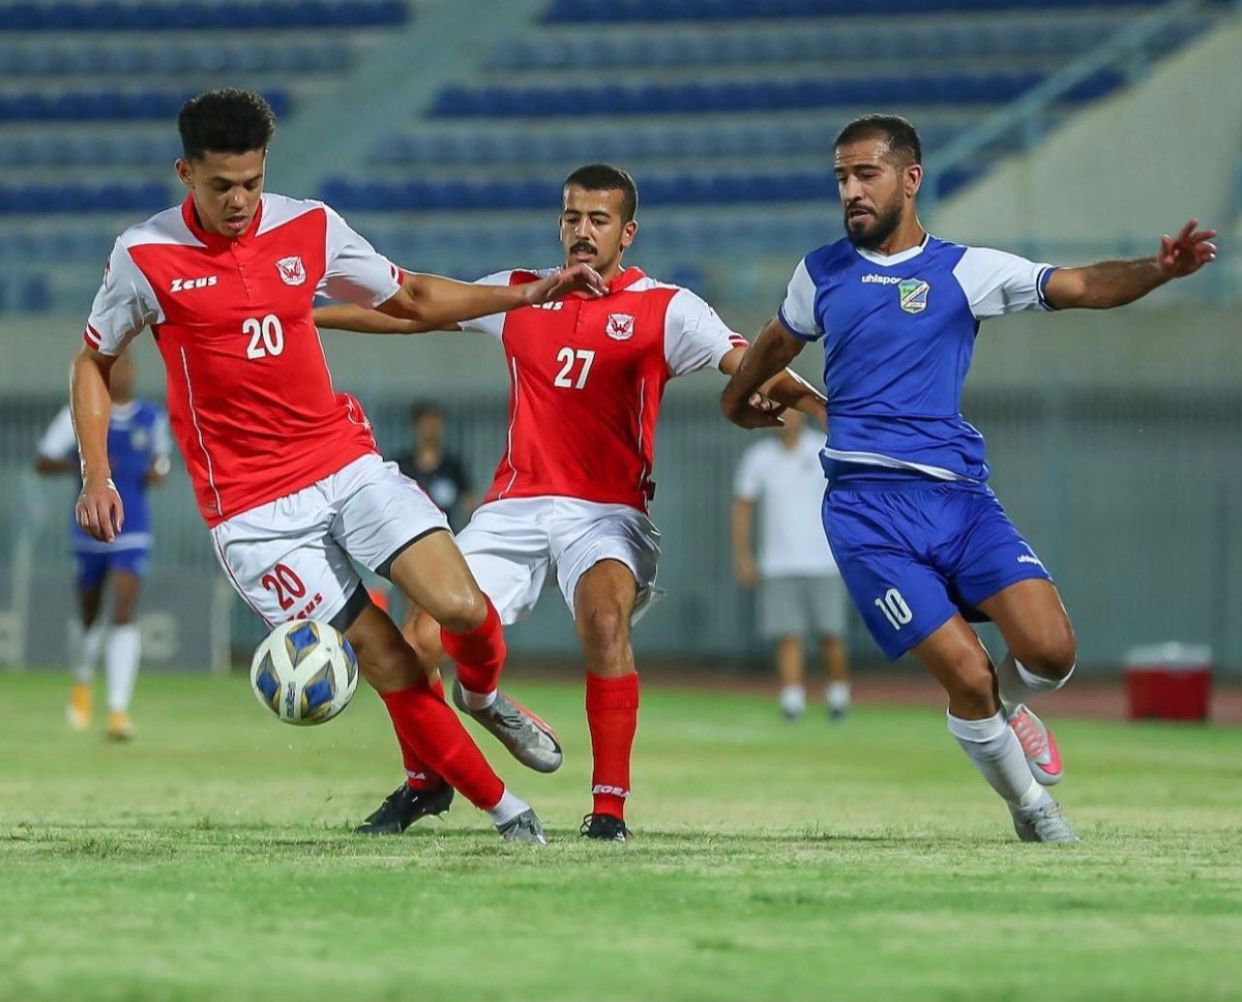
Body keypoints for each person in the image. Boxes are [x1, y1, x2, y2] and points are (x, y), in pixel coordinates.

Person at [70, 88, 606, 842]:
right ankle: (506, 812)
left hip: (342, 464)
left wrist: (531, 293)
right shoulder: (145, 255)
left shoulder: (310, 226)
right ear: (184, 172)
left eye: (251, 184)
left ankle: (483, 699)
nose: (239, 202)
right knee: (387, 657)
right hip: (254, 513)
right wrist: (97, 474)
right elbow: (93, 361)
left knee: (461, 607)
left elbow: (412, 296)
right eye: (221, 186)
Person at [721, 114, 1216, 843]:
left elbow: (1077, 284)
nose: (851, 191)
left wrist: (1159, 270)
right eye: (841, 179)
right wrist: (736, 405)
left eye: (866, 175)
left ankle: (1011, 707)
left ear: (910, 178)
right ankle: (1033, 811)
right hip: (866, 514)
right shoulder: (821, 272)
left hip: (959, 502)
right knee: (966, 675)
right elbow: (770, 347)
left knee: (1051, 652)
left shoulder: (963, 270)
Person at [315, 163, 825, 841]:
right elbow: (412, 312)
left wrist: (834, 411)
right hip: (514, 506)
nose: (582, 233)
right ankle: (431, 777)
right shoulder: (520, 294)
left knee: (604, 624)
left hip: (609, 512)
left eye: (598, 220)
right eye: (572, 218)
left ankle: (608, 811)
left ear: (627, 232)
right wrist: (301, 316)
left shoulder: (667, 308)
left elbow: (753, 367)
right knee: (419, 642)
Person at [35, 353, 171, 740]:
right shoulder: (82, 415)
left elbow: (162, 464)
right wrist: (85, 468)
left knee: (124, 609)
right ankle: (81, 682)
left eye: (130, 365)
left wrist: (154, 473)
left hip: (133, 527)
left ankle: (117, 711)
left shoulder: (151, 417)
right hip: (90, 527)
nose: (125, 371)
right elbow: (42, 461)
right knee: (90, 614)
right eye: (119, 365)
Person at [732, 408, 851, 722]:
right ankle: (792, 699)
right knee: (787, 633)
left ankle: (838, 693)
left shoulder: (823, 448)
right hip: (778, 562)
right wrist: (743, 555)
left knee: (830, 632)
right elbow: (743, 506)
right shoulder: (759, 457)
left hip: (823, 559)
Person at [393, 402, 475, 530]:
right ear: (417, 427)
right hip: (410, 536)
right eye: (426, 424)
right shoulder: (403, 466)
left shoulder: (452, 466)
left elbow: (469, 504)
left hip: (446, 534)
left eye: (435, 424)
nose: (431, 430)